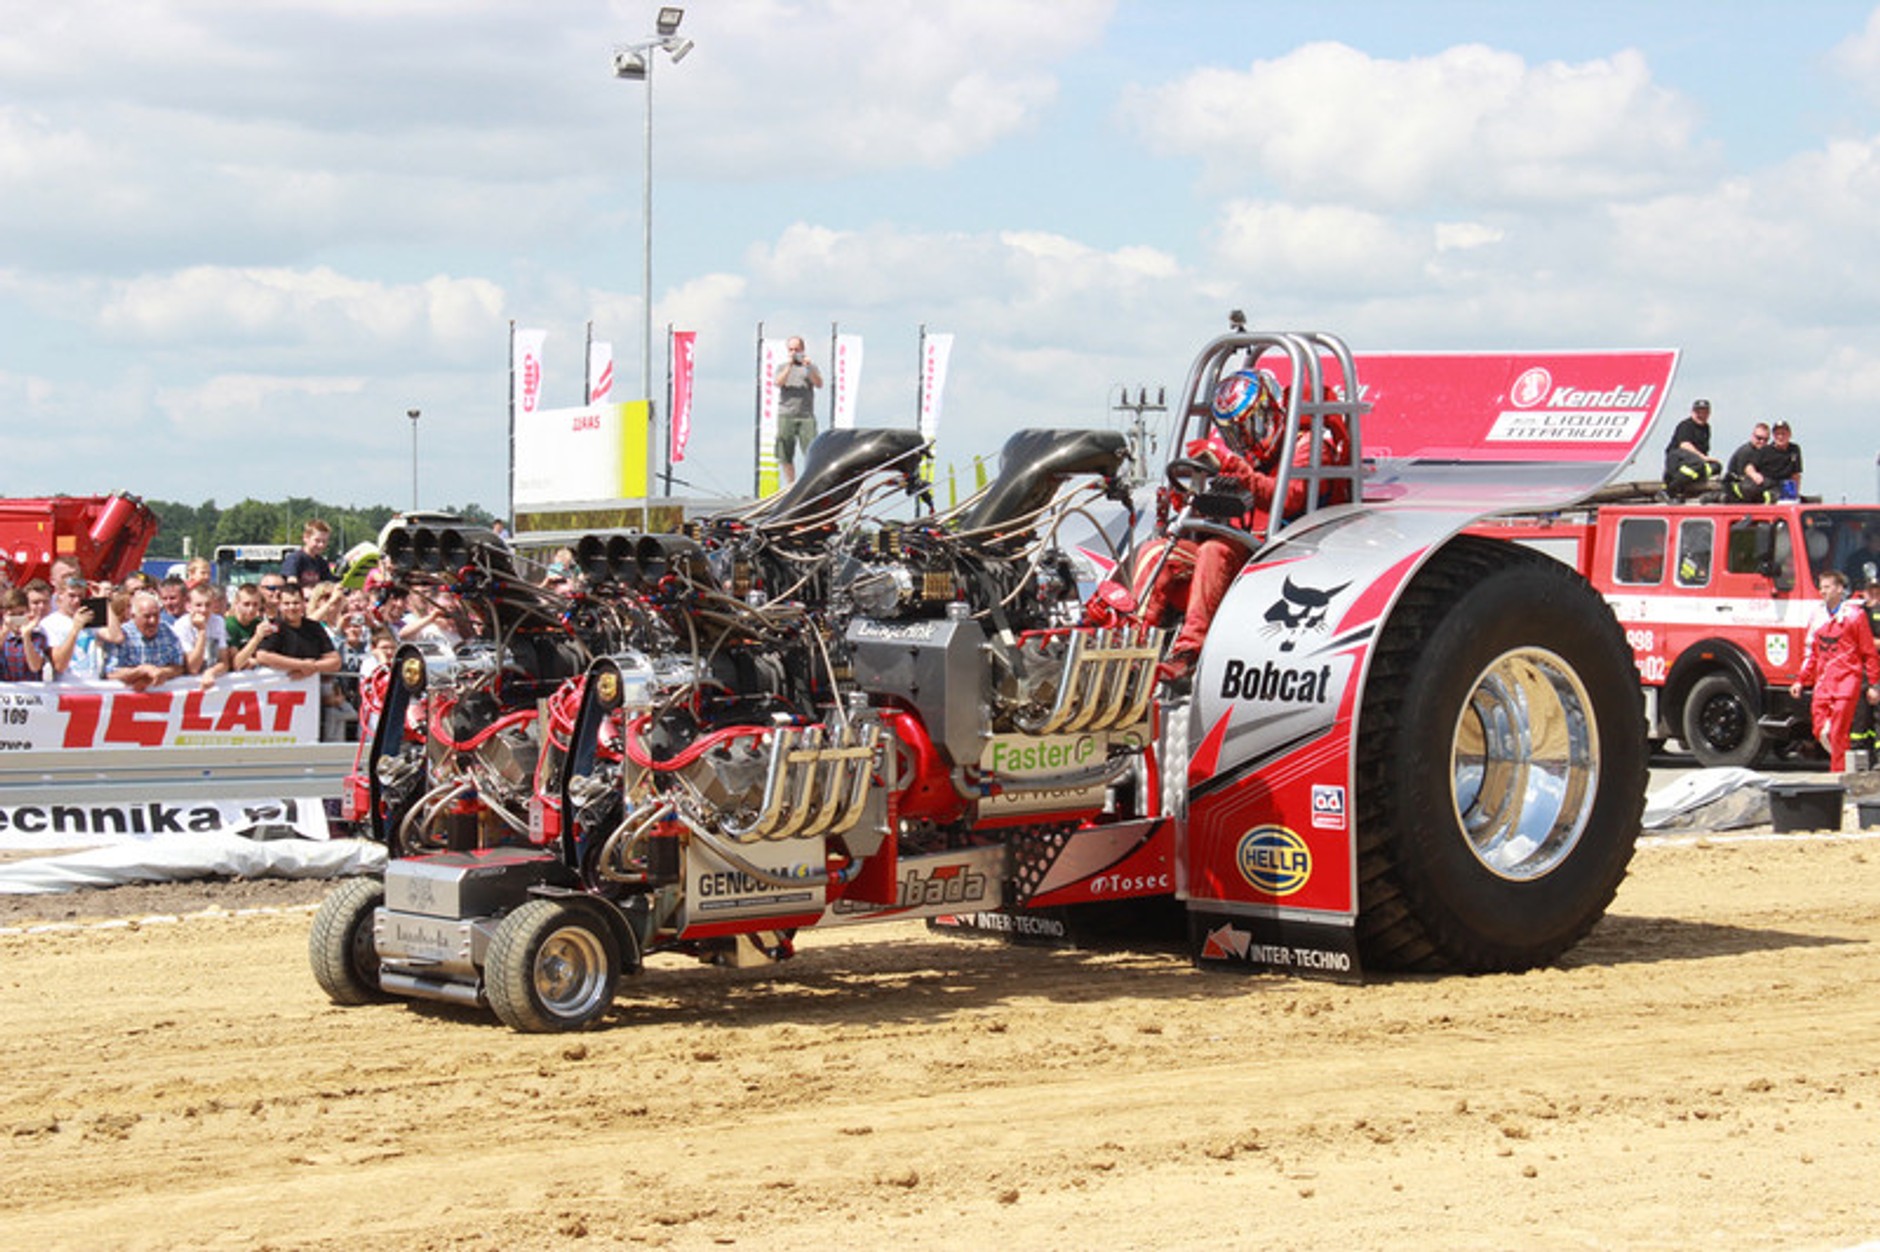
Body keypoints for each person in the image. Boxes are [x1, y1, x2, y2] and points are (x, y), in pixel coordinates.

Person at [1128, 369, 1320, 684]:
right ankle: (1133, 649)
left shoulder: (1307, 445)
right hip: (1238, 544)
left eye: (1249, 427)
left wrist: (1231, 465)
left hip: (1278, 553)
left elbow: (1288, 499)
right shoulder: (1247, 462)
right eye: (1235, 434)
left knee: (1214, 552)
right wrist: (1188, 499)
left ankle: (1188, 654)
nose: (1244, 440)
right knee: (1156, 552)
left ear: (1269, 413)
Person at [1789, 569, 1880, 773]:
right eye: (1821, 587)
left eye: (1827, 587)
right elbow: (1811, 652)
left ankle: (1837, 774)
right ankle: (1842, 759)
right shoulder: (1817, 616)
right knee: (1820, 729)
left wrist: (1874, 685)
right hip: (1824, 681)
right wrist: (1800, 680)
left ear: (1840, 589)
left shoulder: (1855, 616)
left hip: (1848, 680)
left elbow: (1869, 653)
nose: (1823, 592)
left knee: (1839, 729)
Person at [105, 590, 188, 691]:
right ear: (133, 616)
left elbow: (179, 667)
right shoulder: (124, 634)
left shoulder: (166, 631)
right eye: (147, 616)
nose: (152, 621)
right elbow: (112, 673)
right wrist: (142, 671)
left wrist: (160, 672)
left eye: (156, 615)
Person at [772, 335, 824, 488]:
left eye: (797, 349)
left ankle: (809, 481)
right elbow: (778, 382)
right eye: (791, 349)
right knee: (785, 449)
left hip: (806, 415)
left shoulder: (810, 367)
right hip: (786, 414)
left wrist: (809, 367)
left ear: (803, 350)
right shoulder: (782, 367)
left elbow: (819, 383)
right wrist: (789, 365)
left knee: (811, 449)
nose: (794, 352)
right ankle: (790, 483)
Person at [172, 583, 232, 682]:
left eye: (208, 605)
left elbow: (224, 662)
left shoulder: (218, 621)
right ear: (188, 606)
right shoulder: (181, 626)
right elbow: (193, 668)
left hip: (211, 678)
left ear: (213, 605)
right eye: (198, 605)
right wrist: (201, 631)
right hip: (188, 683)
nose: (203, 610)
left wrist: (211, 672)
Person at [1663, 399, 1720, 498]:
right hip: (1678, 458)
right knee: (1697, 464)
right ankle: (1670, 488)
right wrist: (1703, 458)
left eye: (1704, 412)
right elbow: (1684, 445)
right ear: (1693, 412)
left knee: (1715, 467)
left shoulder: (1706, 428)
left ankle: (1691, 481)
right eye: (1698, 412)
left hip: (1695, 461)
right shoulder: (1686, 425)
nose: (1701, 415)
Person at [0, 588, 51, 682]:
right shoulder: (2, 636)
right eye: (12, 615)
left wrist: (26, 636)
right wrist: (4, 632)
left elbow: (35, 666)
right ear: (4, 614)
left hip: (32, 693)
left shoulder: (37, 636)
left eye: (21, 614)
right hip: (5, 693)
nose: (17, 619)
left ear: (27, 612)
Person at [1723, 422, 1774, 503]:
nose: (1762, 442)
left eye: (1766, 439)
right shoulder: (1746, 452)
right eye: (1759, 438)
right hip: (1737, 489)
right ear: (1752, 436)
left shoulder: (1763, 452)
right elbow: (1742, 478)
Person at [282, 519, 336, 589]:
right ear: (305, 538)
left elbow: (329, 583)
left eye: (324, 541)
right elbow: (291, 581)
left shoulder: (322, 563)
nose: (321, 545)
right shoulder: (295, 559)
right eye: (317, 541)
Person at [1762, 421, 1803, 501]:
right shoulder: (1765, 451)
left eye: (1783, 434)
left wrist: (1796, 493)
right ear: (1773, 435)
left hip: (1787, 486)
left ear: (1789, 435)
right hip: (1769, 487)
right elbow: (1751, 466)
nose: (1780, 437)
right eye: (1777, 434)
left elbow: (1796, 474)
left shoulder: (1794, 449)